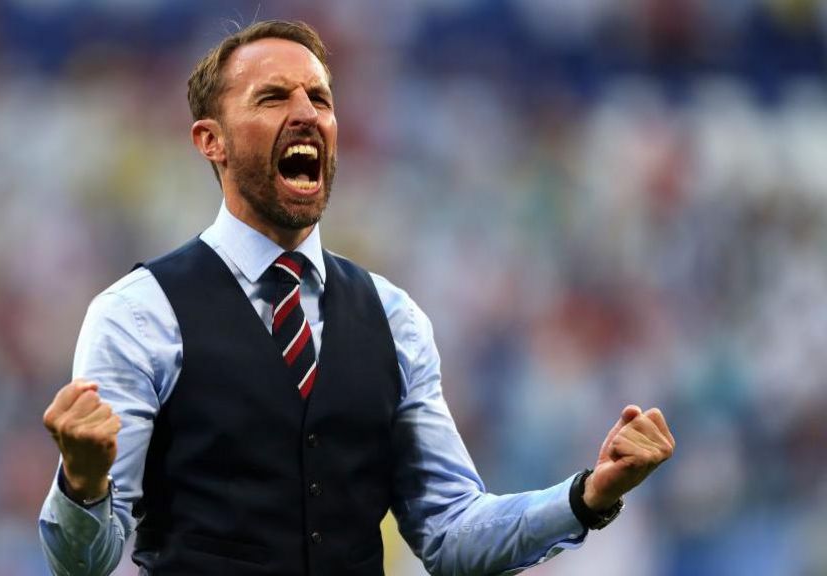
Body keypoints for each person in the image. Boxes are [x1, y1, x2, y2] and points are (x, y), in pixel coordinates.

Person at [38, 20, 675, 576]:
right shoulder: (137, 315)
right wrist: (84, 483)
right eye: (272, 97)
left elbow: (450, 531)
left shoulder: (393, 318)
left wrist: (586, 497)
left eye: (320, 97)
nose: (306, 112)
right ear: (212, 140)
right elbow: (82, 565)